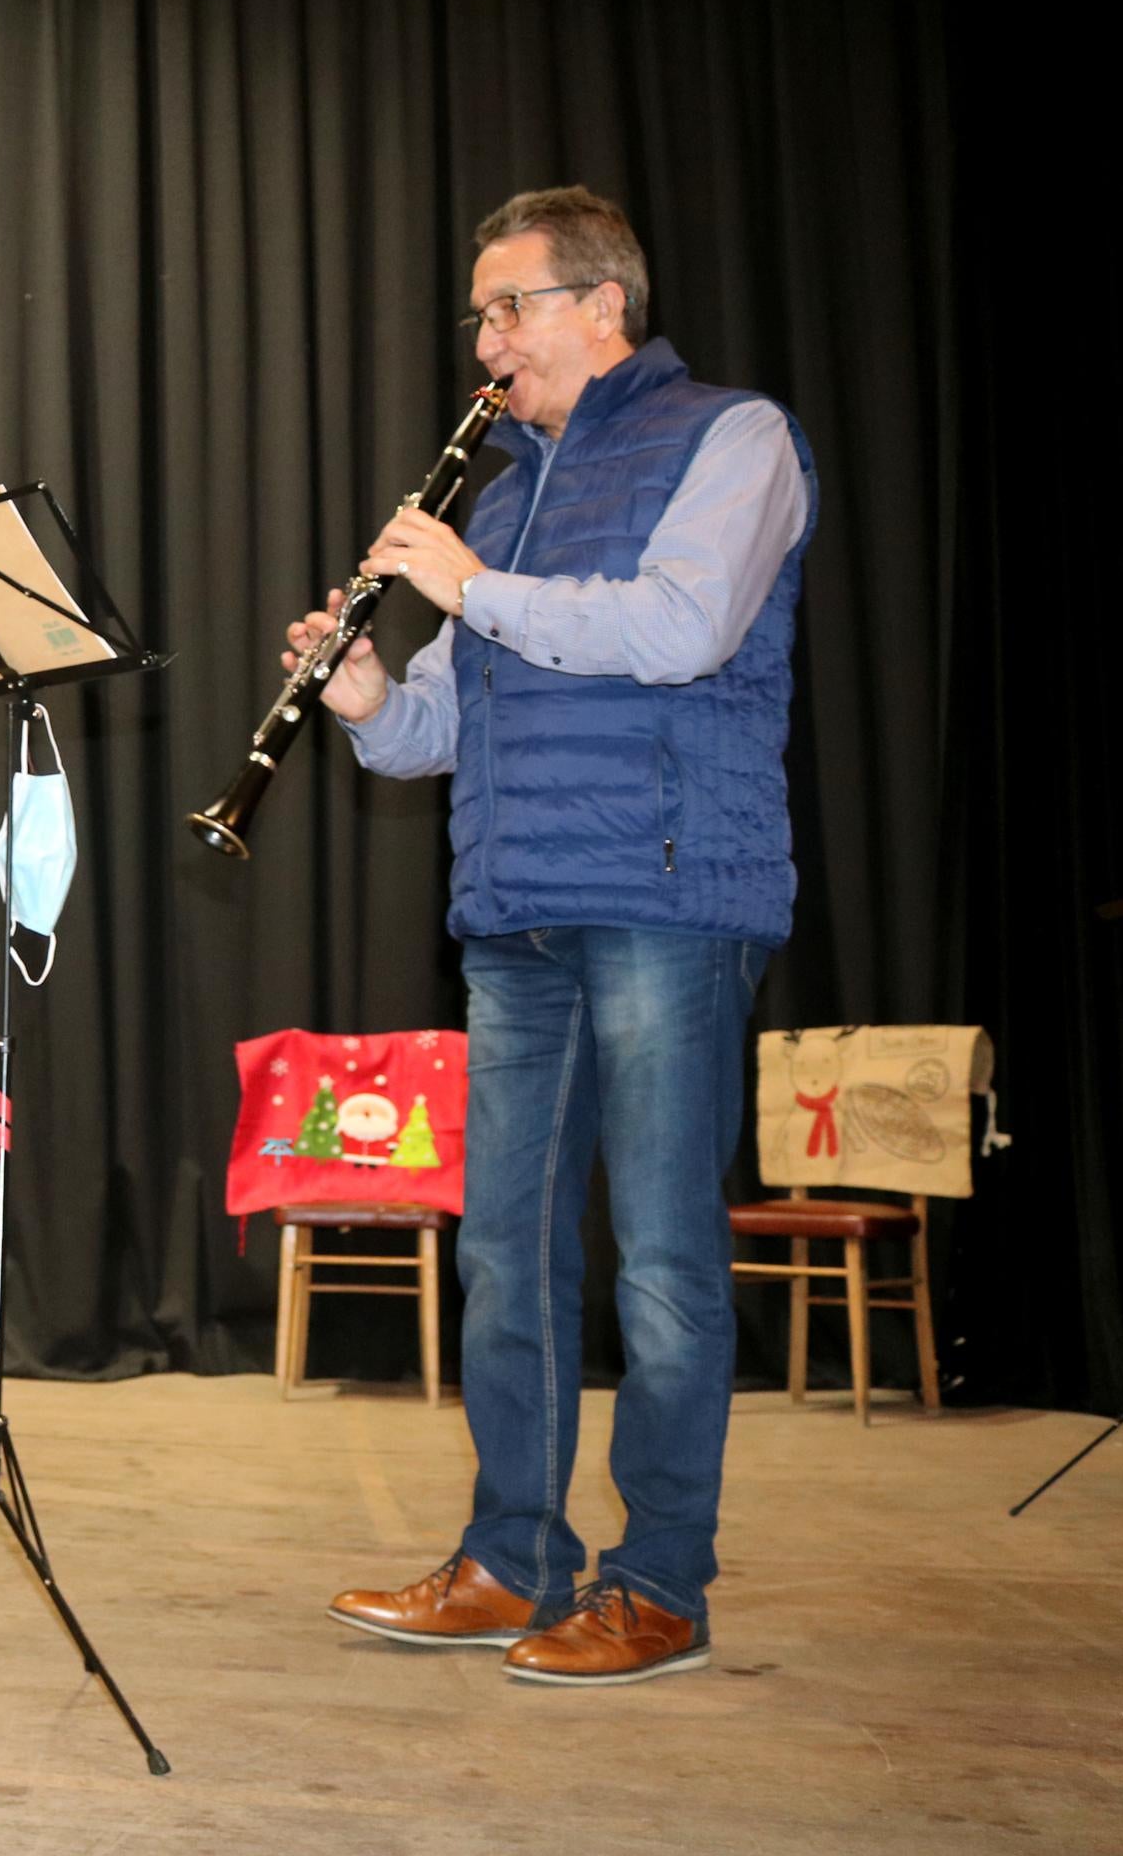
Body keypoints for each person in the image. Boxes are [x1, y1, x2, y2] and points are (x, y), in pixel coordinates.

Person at [299, 187, 816, 1685]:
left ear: (604, 307)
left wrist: (472, 585)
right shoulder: (507, 484)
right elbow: (439, 727)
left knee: (659, 1263)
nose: (486, 340)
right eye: (479, 314)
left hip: (665, 897)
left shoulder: (736, 438)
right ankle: (510, 1560)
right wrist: (362, 701)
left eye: (507, 307)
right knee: (508, 1258)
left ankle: (657, 1583)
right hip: (516, 906)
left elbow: (681, 628)